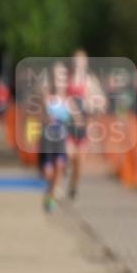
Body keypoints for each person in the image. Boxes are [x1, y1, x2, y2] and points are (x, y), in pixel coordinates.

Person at [65, 50, 104, 200]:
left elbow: (101, 102)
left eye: (80, 62)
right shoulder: (66, 79)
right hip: (67, 126)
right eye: (75, 61)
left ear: (85, 64)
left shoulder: (90, 81)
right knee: (68, 153)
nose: (77, 65)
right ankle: (64, 167)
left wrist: (92, 104)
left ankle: (73, 187)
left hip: (83, 127)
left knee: (79, 163)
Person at [39, 62, 71, 212]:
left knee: (59, 166)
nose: (60, 79)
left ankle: (51, 197)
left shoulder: (68, 98)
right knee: (48, 173)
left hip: (61, 140)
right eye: (57, 75)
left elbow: (73, 118)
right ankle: (49, 191)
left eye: (62, 75)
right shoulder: (45, 96)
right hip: (46, 141)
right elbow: (37, 116)